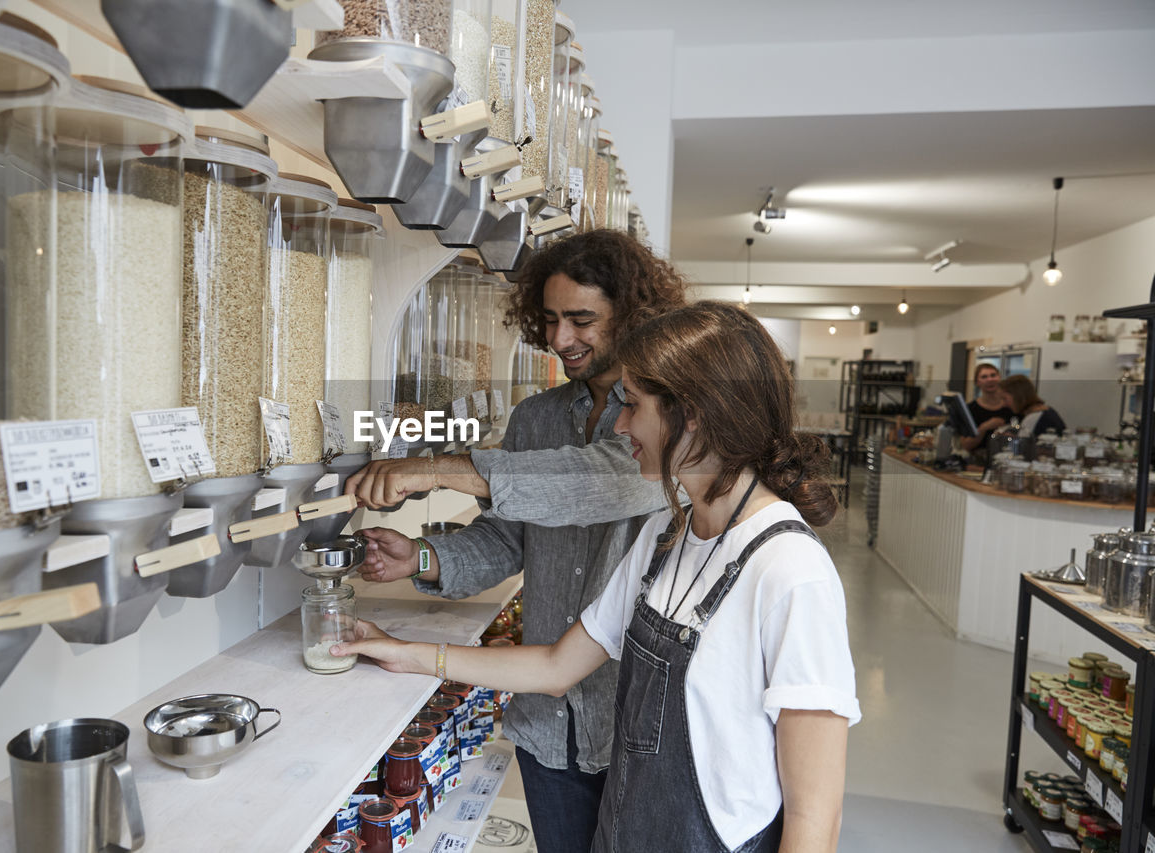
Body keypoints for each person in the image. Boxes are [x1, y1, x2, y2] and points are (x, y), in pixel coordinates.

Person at [335, 301, 860, 853]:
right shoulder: (667, 534)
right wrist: (404, 652)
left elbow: (814, 817)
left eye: (633, 405)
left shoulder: (790, 572)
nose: (622, 424)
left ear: (694, 412)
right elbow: (557, 665)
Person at [346, 229, 687, 853]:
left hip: (638, 725)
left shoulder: (670, 418)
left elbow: (593, 483)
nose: (561, 341)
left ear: (634, 317)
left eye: (582, 321)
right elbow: (511, 537)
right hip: (545, 722)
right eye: (552, 320)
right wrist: (424, 556)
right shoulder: (538, 416)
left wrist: (432, 467)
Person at [959, 363, 1016, 452]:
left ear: (999, 378)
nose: (990, 379)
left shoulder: (1012, 406)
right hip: (979, 461)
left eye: (993, 375)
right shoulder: (969, 410)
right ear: (977, 382)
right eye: (984, 377)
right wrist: (983, 428)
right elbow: (966, 446)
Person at [1000, 374, 1067, 437]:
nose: (1003, 404)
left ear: (1017, 396)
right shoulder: (1047, 410)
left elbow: (1021, 447)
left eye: (1005, 398)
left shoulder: (1032, 418)